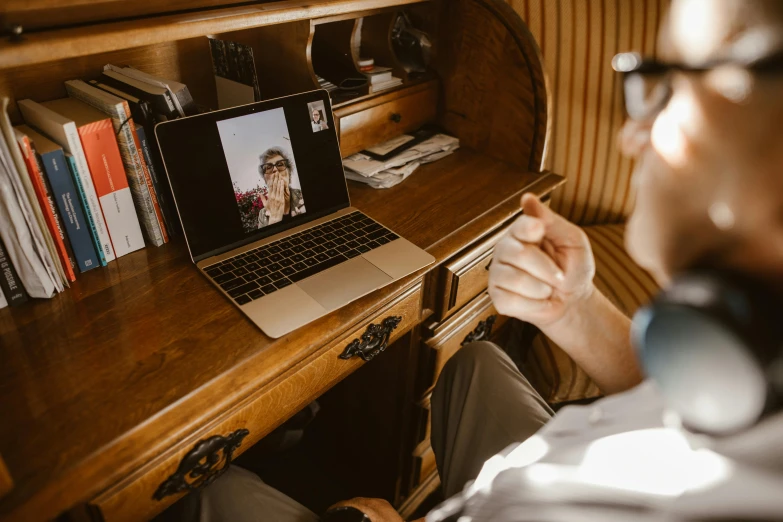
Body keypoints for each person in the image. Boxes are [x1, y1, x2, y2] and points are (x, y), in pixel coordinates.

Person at [191, 0, 783, 519]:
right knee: (474, 363)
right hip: (559, 465)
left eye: (670, 86)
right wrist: (573, 310)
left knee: (217, 495)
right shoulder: (749, 370)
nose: (631, 137)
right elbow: (696, 397)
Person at [257, 147, 306, 228]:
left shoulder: (304, 196)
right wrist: (274, 219)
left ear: (289, 174)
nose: (275, 169)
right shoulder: (263, 215)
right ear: (265, 180)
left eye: (280, 164)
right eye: (268, 167)